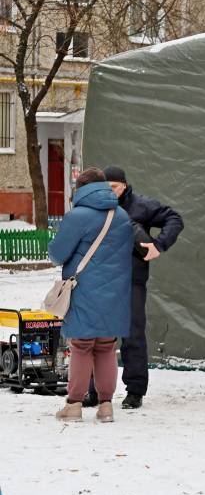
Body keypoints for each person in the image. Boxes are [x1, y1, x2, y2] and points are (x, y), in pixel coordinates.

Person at [83, 166, 184, 411]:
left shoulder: (141, 205)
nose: (109, 193)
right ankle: (94, 391)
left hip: (131, 280)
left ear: (125, 186)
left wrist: (159, 245)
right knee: (98, 337)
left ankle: (135, 392)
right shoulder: (93, 207)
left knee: (133, 335)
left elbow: (175, 219)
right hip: (100, 282)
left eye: (114, 188)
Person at [48, 167, 135, 423]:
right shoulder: (120, 215)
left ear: (81, 189)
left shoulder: (78, 216)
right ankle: (106, 406)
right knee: (106, 346)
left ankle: (74, 405)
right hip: (115, 292)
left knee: (82, 346)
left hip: (84, 290)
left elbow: (57, 255)